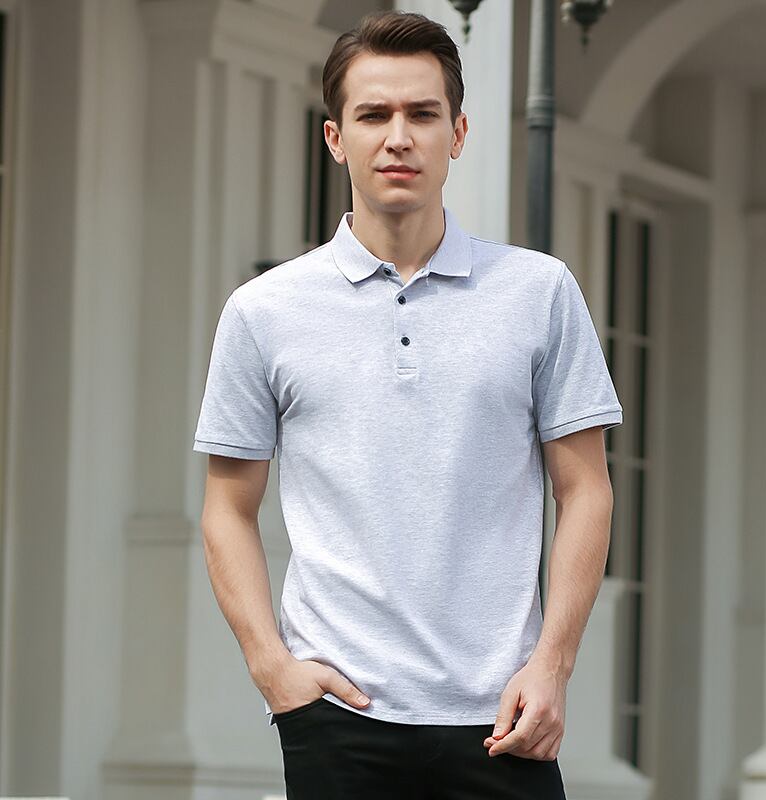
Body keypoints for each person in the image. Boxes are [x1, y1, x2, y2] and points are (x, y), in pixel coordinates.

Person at [193, 9, 622, 799]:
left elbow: (587, 489)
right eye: (374, 115)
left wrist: (553, 666)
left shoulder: (539, 293)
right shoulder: (264, 311)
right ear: (335, 138)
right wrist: (271, 666)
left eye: (422, 114)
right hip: (338, 718)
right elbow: (227, 508)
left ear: (457, 134)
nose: (399, 138)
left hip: (505, 716)